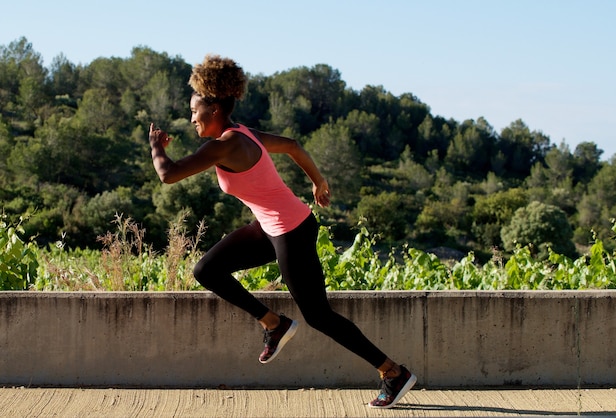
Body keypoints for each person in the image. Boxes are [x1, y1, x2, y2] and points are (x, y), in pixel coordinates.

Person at [149, 54, 416, 409]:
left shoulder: (223, 145)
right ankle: (273, 323)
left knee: (319, 315)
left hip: (291, 230)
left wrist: (155, 146)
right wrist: (317, 181)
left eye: (194, 110)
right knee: (207, 270)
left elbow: (168, 175)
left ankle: (393, 372)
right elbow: (292, 145)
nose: (191, 118)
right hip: (272, 226)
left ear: (214, 110)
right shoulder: (245, 134)